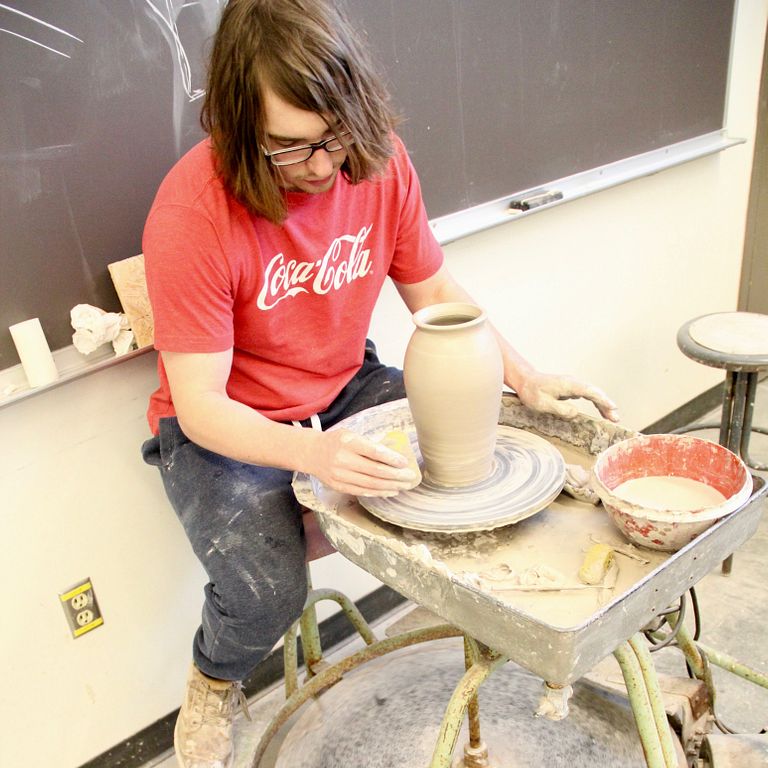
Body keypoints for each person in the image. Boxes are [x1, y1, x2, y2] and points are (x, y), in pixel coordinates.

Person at [140, 1, 619, 766]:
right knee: (267, 590)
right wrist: (319, 461)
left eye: (333, 134)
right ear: (234, 126)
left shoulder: (380, 159)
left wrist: (523, 380)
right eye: (290, 148)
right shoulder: (193, 208)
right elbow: (199, 404)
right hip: (228, 425)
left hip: (341, 387)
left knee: (493, 455)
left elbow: (436, 295)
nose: (324, 166)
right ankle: (214, 676)